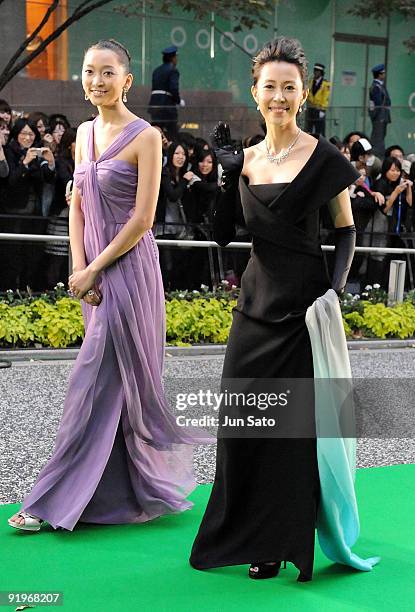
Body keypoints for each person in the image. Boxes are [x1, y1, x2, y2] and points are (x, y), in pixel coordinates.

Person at [190, 37, 380, 582]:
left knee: (293, 435)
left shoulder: (324, 160)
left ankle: (279, 540)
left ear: (303, 95)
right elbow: (223, 236)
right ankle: (246, 532)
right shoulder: (244, 159)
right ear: (255, 93)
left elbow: (346, 232)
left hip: (303, 316)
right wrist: (227, 178)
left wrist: (334, 292)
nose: (279, 96)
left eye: (289, 87)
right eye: (269, 86)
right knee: (245, 429)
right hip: (253, 312)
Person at [8, 38, 210, 533]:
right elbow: (76, 204)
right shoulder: (81, 133)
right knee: (110, 386)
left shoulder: (146, 138)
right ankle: (114, 496)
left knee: (88, 383)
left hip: (129, 272)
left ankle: (47, 500)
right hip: (92, 272)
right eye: (89, 71)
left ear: (127, 81)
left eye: (107, 72)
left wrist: (96, 269)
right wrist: (80, 270)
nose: (96, 81)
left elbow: (143, 220)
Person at [1, 118, 55, 290]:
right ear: (16, 135)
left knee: (32, 257)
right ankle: (9, 292)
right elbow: (10, 181)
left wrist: (51, 162)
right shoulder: (10, 152)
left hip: (35, 215)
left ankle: (28, 291)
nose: (27, 137)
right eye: (23, 133)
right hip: (13, 213)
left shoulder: (37, 153)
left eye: (31, 134)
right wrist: (25, 163)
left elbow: (48, 179)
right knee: (12, 257)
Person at [148, 46, 183, 140]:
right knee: (172, 132)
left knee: (156, 130)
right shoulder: (173, 70)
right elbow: (174, 88)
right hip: (166, 105)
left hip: (154, 104)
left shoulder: (156, 70)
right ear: (173, 58)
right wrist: (178, 101)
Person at [368, 63, 391, 157]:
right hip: (379, 117)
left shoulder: (380, 86)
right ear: (379, 74)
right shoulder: (376, 87)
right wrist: (378, 116)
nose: (384, 75)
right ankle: (378, 156)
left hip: (383, 116)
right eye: (383, 73)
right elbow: (378, 104)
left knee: (381, 137)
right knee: (378, 138)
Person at [304, 62, 331, 136]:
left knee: (319, 130)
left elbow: (325, 98)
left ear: (321, 72)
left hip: (319, 109)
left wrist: (322, 110)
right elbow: (308, 94)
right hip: (311, 108)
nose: (315, 72)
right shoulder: (310, 81)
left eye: (317, 71)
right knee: (308, 129)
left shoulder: (326, 84)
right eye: (315, 70)